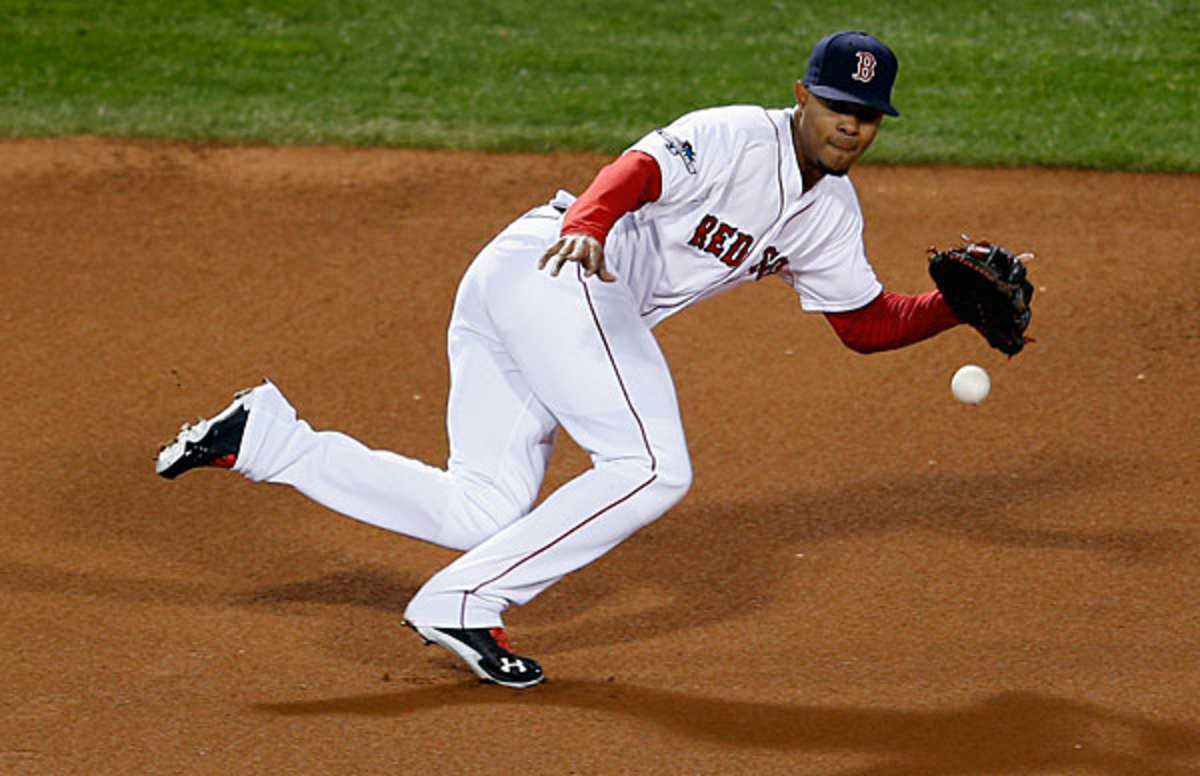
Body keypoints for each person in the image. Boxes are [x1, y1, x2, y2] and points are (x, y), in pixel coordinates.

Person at [156, 31, 974, 688]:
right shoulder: (733, 134)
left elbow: (864, 323)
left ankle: (269, 439)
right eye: (837, 106)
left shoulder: (829, 213)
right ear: (802, 95)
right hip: (561, 269)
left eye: (866, 115)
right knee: (654, 467)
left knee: (483, 509)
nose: (850, 126)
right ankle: (465, 602)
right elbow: (638, 170)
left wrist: (952, 309)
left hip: (527, 293)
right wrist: (587, 225)